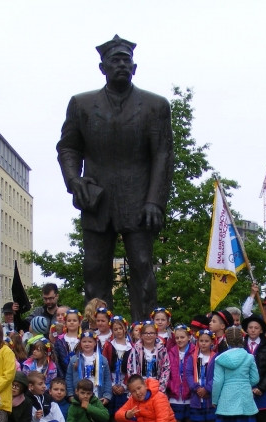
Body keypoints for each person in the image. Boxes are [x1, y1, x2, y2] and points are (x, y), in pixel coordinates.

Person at [57, 35, 173, 320]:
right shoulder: (82, 104)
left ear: (134, 68)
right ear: (102, 67)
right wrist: (75, 181)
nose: (121, 65)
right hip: (96, 200)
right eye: (115, 60)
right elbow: (69, 147)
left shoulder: (155, 106)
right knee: (94, 270)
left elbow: (163, 155)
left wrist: (155, 202)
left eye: (126, 60)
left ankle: (143, 332)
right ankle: (98, 333)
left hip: (140, 199)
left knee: (142, 267)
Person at [212, 325, 259, 422]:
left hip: (227, 394)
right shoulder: (249, 356)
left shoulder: (221, 358)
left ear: (226, 340)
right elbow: (255, 378)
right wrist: (246, 383)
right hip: (243, 394)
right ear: (242, 338)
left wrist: (215, 399)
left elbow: (218, 381)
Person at [186, 329, 217, 422]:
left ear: (212, 342)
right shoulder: (193, 357)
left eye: (206, 341)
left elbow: (217, 375)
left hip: (210, 396)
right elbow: (188, 374)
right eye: (201, 341)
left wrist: (207, 388)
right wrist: (196, 387)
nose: (203, 343)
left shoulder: (216, 357)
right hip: (196, 396)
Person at [166, 325, 194, 422]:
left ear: (189, 337)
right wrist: (171, 386)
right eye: (177, 337)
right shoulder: (171, 351)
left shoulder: (194, 351)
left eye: (182, 337)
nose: (179, 340)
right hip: (175, 393)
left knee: (189, 421)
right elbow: (168, 371)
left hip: (189, 392)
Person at [65, 330, 112, 405]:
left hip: (97, 396)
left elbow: (107, 379)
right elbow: (69, 378)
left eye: (90, 342)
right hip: (79, 398)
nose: (87, 344)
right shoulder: (74, 359)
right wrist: (70, 395)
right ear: (80, 343)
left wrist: (107, 396)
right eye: (84, 341)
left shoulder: (102, 360)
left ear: (95, 343)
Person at [127, 319, 170, 392]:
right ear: (141, 335)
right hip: (139, 389)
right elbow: (131, 369)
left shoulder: (162, 350)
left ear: (156, 334)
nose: (148, 335)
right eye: (145, 333)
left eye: (151, 333)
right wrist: (138, 387)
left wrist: (160, 388)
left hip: (157, 388)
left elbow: (166, 369)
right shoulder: (136, 350)